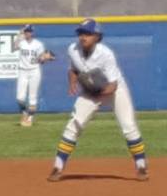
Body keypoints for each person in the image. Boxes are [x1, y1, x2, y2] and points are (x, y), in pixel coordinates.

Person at [47, 18, 149, 182]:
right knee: (74, 124)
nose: (83, 37)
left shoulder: (105, 54)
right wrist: (72, 81)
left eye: (87, 33)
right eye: (80, 33)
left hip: (114, 90)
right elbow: (74, 69)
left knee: (128, 126)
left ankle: (141, 166)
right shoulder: (73, 49)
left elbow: (113, 85)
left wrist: (98, 96)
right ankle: (57, 167)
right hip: (90, 90)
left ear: (97, 37)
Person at [14, 24, 54, 126]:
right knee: (20, 97)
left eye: (30, 31)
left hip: (34, 71)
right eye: (26, 31)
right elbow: (13, 47)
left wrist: (45, 58)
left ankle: (30, 119)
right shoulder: (21, 43)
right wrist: (19, 34)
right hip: (22, 70)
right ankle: (24, 112)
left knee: (32, 97)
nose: (28, 33)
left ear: (32, 32)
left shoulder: (38, 44)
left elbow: (41, 59)